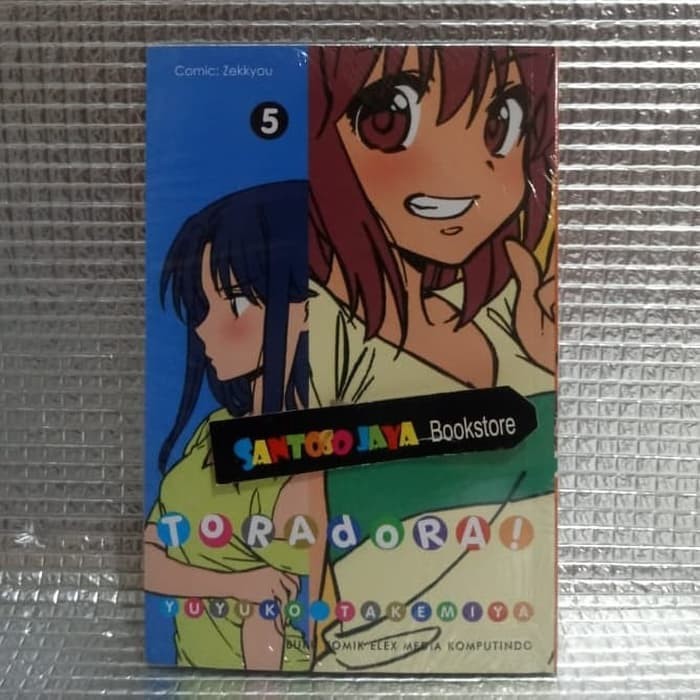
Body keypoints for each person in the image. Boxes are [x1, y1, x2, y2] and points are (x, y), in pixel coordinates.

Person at [307, 46, 558, 673]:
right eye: (389, 120)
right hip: (364, 646)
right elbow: (281, 481)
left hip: (505, 628)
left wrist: (542, 353)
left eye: (501, 124)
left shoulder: (504, 314)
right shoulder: (319, 324)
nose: (463, 172)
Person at [144, 180, 327, 671]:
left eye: (238, 303)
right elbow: (151, 558)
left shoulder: (312, 460)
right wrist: (236, 585)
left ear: (309, 307)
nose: (205, 328)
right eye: (203, 307)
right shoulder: (213, 431)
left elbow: (274, 613)